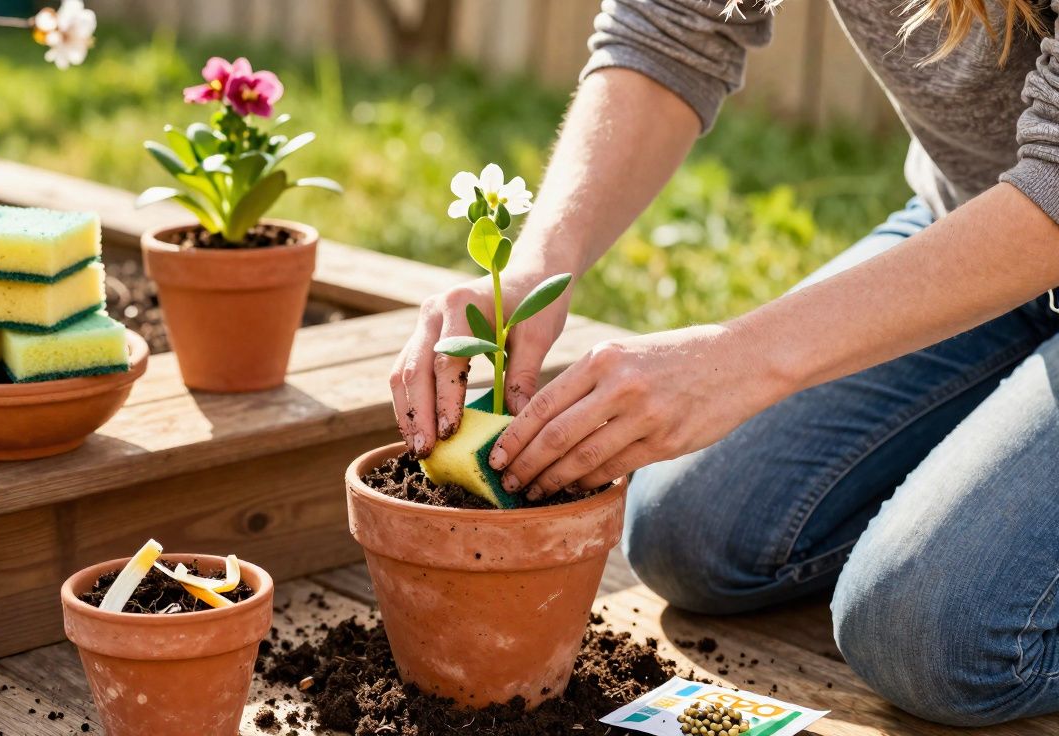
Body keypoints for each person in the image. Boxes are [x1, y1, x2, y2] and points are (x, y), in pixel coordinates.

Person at [389, 0, 1059, 727]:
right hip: (972, 223)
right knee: (686, 534)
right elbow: (671, 29)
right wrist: (534, 270)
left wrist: (745, 359)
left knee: (929, 635)